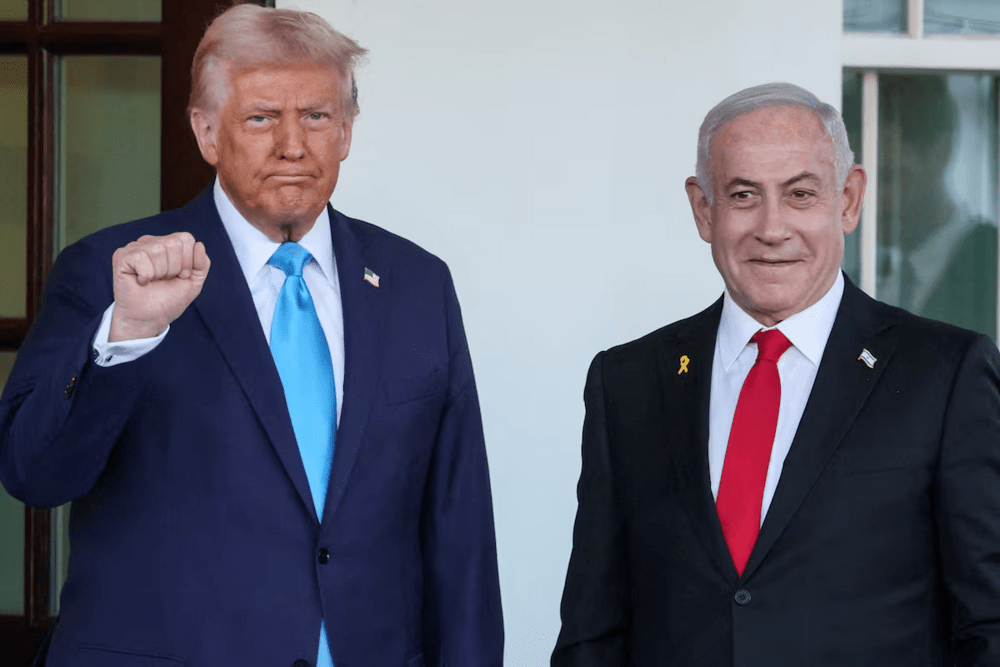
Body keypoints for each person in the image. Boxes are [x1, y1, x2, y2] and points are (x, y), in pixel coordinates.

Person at [0, 5, 503, 667]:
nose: (293, 145)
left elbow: (458, 530)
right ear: (207, 132)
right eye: (262, 117)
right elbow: (34, 472)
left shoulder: (417, 285)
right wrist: (128, 332)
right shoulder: (108, 272)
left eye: (317, 116)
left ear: (347, 131)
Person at [552, 82, 1000, 666]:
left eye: (800, 194)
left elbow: (990, 623)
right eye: (742, 195)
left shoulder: (946, 375)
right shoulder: (629, 382)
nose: (772, 227)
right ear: (703, 210)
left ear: (848, 200)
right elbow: (593, 631)